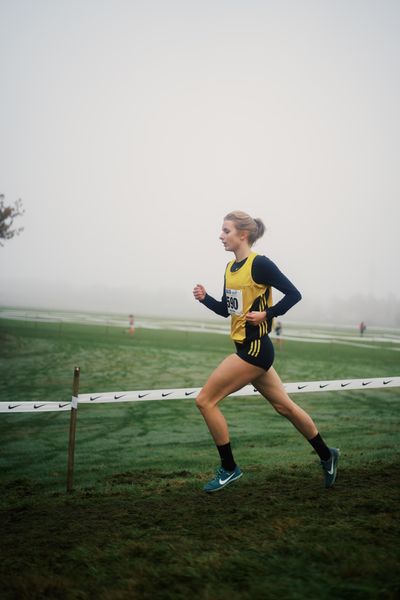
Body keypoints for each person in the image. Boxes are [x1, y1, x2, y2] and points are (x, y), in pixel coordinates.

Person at [193, 211, 339, 493]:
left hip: (255, 351)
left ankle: (229, 468)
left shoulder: (260, 265)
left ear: (242, 235)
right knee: (285, 407)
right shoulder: (230, 268)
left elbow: (294, 294)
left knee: (205, 401)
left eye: (226, 231)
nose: (220, 236)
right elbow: (227, 310)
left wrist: (267, 314)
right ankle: (327, 454)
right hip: (249, 349)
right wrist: (205, 299)